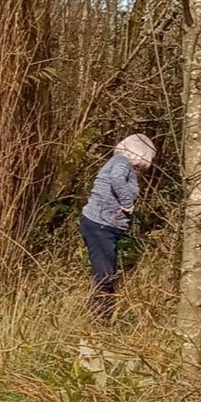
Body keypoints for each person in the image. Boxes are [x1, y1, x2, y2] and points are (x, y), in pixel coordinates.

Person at [79, 135, 155, 322]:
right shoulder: (122, 162)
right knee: (105, 276)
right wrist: (127, 204)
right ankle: (99, 320)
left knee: (107, 274)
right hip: (100, 225)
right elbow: (116, 179)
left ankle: (103, 317)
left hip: (104, 226)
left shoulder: (121, 163)